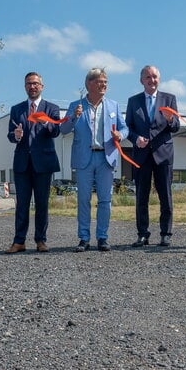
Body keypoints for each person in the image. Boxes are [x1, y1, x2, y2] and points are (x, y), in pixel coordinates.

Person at [60, 67, 128, 252]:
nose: (104, 85)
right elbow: (64, 130)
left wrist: (120, 135)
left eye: (105, 82)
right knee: (83, 199)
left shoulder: (113, 105)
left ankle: (102, 237)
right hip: (84, 159)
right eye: (100, 81)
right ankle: (83, 238)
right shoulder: (76, 105)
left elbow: (125, 128)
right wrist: (74, 117)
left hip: (106, 158)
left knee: (105, 200)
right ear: (89, 84)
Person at [5, 72, 61, 254]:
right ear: (25, 87)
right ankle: (19, 241)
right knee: (22, 204)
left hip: (43, 163)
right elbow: (10, 135)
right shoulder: (16, 109)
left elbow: (55, 132)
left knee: (42, 203)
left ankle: (41, 240)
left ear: (42, 87)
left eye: (36, 83)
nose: (32, 86)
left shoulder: (51, 108)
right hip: (22, 163)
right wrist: (16, 135)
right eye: (29, 84)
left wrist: (45, 122)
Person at [126, 65, 180, 247]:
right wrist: (135, 138)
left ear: (159, 78)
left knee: (165, 195)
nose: (152, 80)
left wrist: (171, 119)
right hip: (141, 155)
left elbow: (175, 127)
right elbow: (128, 128)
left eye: (155, 76)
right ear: (142, 80)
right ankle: (143, 234)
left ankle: (166, 234)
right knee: (142, 196)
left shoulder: (169, 99)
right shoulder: (133, 101)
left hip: (163, 154)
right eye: (148, 77)